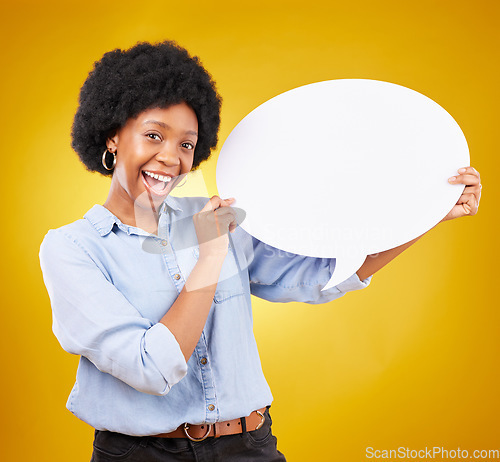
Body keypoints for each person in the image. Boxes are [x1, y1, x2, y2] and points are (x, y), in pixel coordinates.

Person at [39, 40, 481, 462]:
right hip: (139, 454)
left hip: (247, 446)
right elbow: (152, 368)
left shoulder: (215, 219)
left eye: (186, 144)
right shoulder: (73, 248)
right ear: (113, 136)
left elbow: (322, 275)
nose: (171, 158)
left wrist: (427, 212)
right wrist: (210, 254)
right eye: (153, 136)